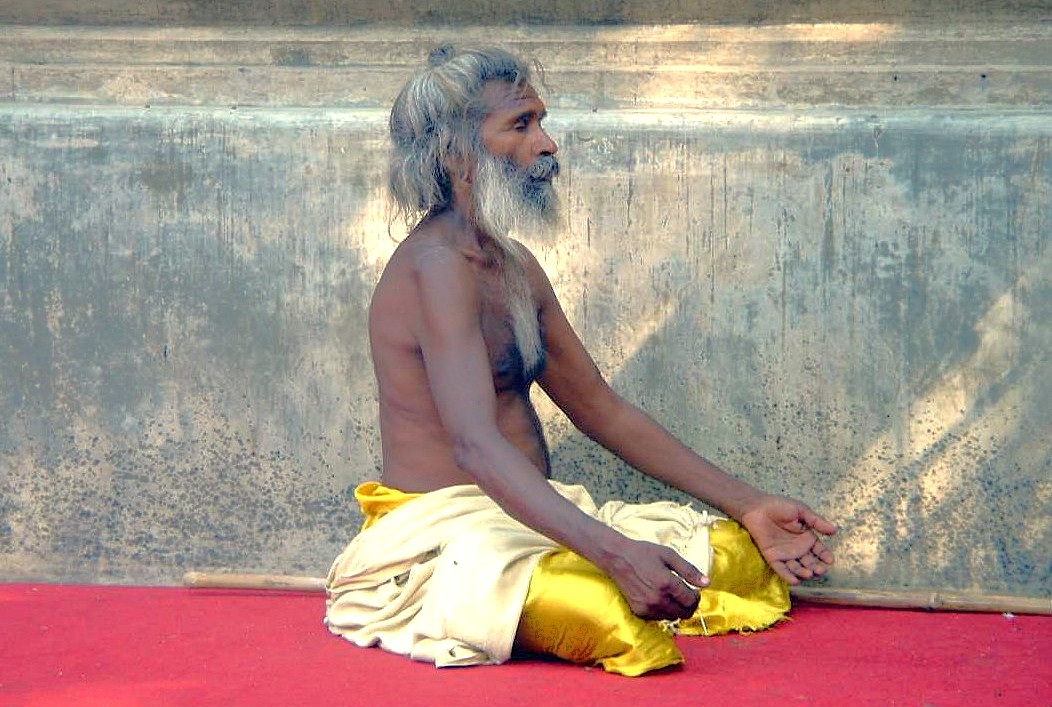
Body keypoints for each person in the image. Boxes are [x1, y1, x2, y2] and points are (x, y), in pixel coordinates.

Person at [325, 45, 836, 676]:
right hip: (447, 538)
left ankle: (607, 562)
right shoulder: (435, 270)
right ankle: (577, 578)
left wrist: (750, 504)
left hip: (536, 512)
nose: (548, 145)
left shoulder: (513, 266)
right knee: (613, 616)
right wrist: (615, 554)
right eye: (521, 125)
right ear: (455, 151)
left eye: (541, 121)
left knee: (736, 557)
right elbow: (476, 447)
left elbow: (601, 408)